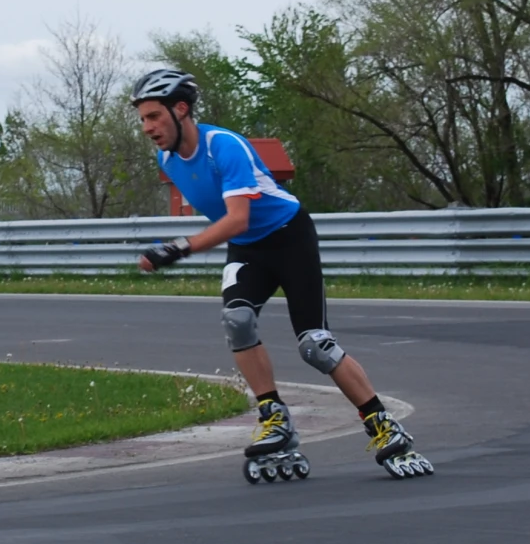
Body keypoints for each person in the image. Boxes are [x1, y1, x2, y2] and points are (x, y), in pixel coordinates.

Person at [130, 68, 433, 480]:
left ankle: (382, 424)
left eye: (153, 116)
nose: (147, 127)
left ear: (180, 109)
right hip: (250, 249)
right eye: (143, 119)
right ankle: (274, 415)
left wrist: (178, 247)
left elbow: (237, 219)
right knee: (237, 320)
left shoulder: (225, 146)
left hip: (288, 236)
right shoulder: (166, 158)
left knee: (315, 345)